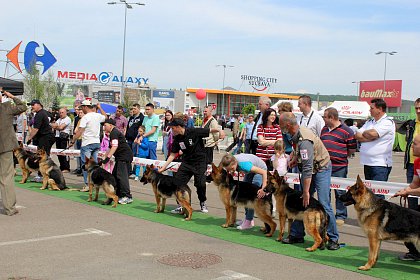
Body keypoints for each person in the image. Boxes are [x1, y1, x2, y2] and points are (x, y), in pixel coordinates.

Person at [279, 112, 340, 250]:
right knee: (302, 201)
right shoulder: (295, 134)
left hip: (321, 169)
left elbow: (307, 168)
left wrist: (306, 191)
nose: (280, 127)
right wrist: (295, 158)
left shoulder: (305, 140)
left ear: (288, 125)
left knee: (323, 202)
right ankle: (296, 234)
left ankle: (333, 238)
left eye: (281, 125)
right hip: (311, 168)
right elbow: (297, 150)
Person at [158, 118, 225, 213]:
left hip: (199, 162)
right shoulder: (177, 138)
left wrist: (220, 131)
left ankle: (202, 202)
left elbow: (210, 130)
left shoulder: (193, 131)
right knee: (177, 182)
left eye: (173, 128)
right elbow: (173, 154)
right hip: (186, 162)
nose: (172, 130)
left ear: (178, 127)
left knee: (200, 184)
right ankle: (181, 205)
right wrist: (163, 168)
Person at [320, 107, 356, 226]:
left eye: (325, 117)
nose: (323, 119)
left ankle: (340, 215)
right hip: (325, 166)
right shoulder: (324, 129)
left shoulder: (347, 131)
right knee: (325, 191)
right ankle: (326, 213)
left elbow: (351, 148)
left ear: (331, 117)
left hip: (339, 166)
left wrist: (340, 156)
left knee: (340, 192)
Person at [355, 98, 395, 199]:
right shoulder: (370, 122)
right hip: (368, 162)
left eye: (372, 108)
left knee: (377, 196)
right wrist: (370, 137)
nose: (370, 110)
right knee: (369, 194)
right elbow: (357, 135)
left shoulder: (387, 122)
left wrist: (368, 134)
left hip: (380, 164)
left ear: (380, 109)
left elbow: (373, 134)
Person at [220, 153, 268, 230]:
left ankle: (248, 222)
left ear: (234, 162)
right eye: (229, 170)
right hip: (250, 171)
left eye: (232, 168)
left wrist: (263, 188)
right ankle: (248, 219)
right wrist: (231, 170)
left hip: (260, 170)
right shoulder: (231, 160)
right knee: (244, 194)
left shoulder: (244, 165)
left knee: (252, 196)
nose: (231, 171)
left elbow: (264, 172)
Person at [0, 88, 27, 216]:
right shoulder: (6, 108)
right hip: (5, 147)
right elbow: (22, 106)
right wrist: (11, 96)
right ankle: (9, 208)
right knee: (6, 177)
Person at [393, 134, 420, 261]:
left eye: (415, 144)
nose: (411, 147)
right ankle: (414, 252)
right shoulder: (417, 162)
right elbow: (415, 183)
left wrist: (410, 192)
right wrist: (405, 191)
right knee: (407, 224)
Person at [70, 100, 107, 191]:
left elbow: (80, 131)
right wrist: (100, 108)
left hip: (87, 143)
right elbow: (106, 117)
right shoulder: (97, 115)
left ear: (86, 107)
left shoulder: (85, 117)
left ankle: (87, 184)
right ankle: (94, 183)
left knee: (86, 164)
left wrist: (73, 140)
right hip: (96, 142)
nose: (81, 109)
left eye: (82, 107)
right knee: (94, 165)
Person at [101, 118, 134, 204]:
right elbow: (109, 147)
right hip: (120, 157)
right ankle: (119, 194)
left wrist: (108, 158)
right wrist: (104, 158)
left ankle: (127, 196)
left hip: (124, 156)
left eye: (105, 125)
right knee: (115, 175)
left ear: (111, 125)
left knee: (121, 176)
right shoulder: (112, 133)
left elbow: (114, 146)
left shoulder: (114, 133)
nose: (103, 127)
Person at [399, 98, 420, 211]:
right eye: (416, 108)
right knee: (412, 197)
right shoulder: (412, 124)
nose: (418, 111)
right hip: (412, 163)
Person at [51, 107, 72, 172]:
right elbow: (54, 125)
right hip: (57, 137)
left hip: (64, 138)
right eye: (60, 112)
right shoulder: (59, 119)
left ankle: (66, 168)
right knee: (59, 153)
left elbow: (61, 127)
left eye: (62, 112)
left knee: (64, 153)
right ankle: (62, 166)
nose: (61, 114)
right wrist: (56, 127)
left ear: (66, 113)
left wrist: (56, 127)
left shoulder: (67, 119)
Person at [125, 104, 144, 177]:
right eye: (132, 108)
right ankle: (129, 171)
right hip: (128, 139)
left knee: (136, 156)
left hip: (135, 140)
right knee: (128, 155)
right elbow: (128, 127)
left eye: (135, 108)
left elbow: (141, 130)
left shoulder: (142, 118)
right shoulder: (131, 117)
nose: (133, 110)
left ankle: (134, 172)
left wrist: (138, 137)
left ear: (138, 109)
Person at [72, 106, 84, 175]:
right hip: (78, 139)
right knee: (77, 155)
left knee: (83, 156)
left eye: (81, 112)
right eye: (79, 112)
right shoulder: (79, 120)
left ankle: (83, 170)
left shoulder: (85, 120)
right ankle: (79, 168)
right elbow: (76, 130)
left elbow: (80, 130)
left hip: (83, 139)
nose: (79, 114)